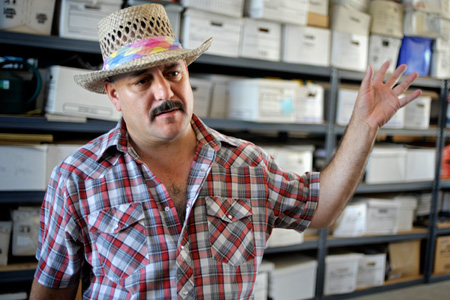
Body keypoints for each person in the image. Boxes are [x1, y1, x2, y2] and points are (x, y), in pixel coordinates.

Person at [30, 3, 422, 300]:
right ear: (114, 95)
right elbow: (52, 290)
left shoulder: (246, 163)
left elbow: (320, 207)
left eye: (173, 73)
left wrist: (364, 127)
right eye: (142, 81)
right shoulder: (78, 178)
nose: (165, 92)